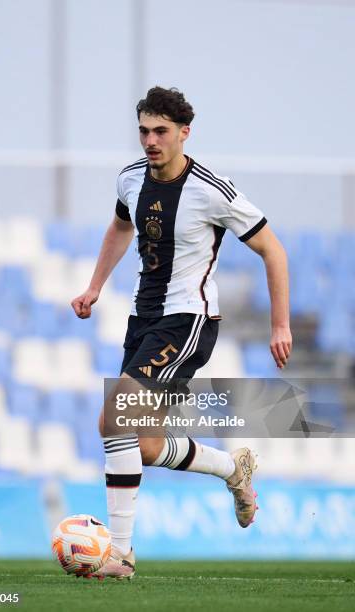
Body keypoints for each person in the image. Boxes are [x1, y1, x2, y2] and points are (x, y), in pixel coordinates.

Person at [71, 86, 292, 579]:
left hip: (188, 320)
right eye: (144, 131)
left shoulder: (212, 189)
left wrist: (280, 324)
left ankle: (121, 557)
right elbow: (119, 228)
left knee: (114, 417)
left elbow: (273, 250)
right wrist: (93, 286)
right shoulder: (129, 179)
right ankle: (233, 470)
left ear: (184, 133)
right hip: (141, 319)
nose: (150, 140)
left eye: (161, 131)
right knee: (144, 446)